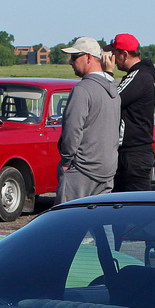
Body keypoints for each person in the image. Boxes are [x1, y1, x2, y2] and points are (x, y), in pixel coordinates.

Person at [55, 37, 120, 204]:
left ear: (89, 58)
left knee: (67, 221)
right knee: (101, 222)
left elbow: (73, 130)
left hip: (82, 170)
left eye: (75, 57)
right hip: (107, 170)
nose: (71, 62)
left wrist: (67, 160)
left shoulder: (82, 90)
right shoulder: (113, 90)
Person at [102, 33, 155, 192]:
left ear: (124, 54)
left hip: (133, 154)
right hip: (134, 154)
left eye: (114, 53)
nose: (112, 58)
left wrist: (107, 74)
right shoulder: (141, 76)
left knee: (136, 207)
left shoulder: (139, 76)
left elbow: (112, 99)